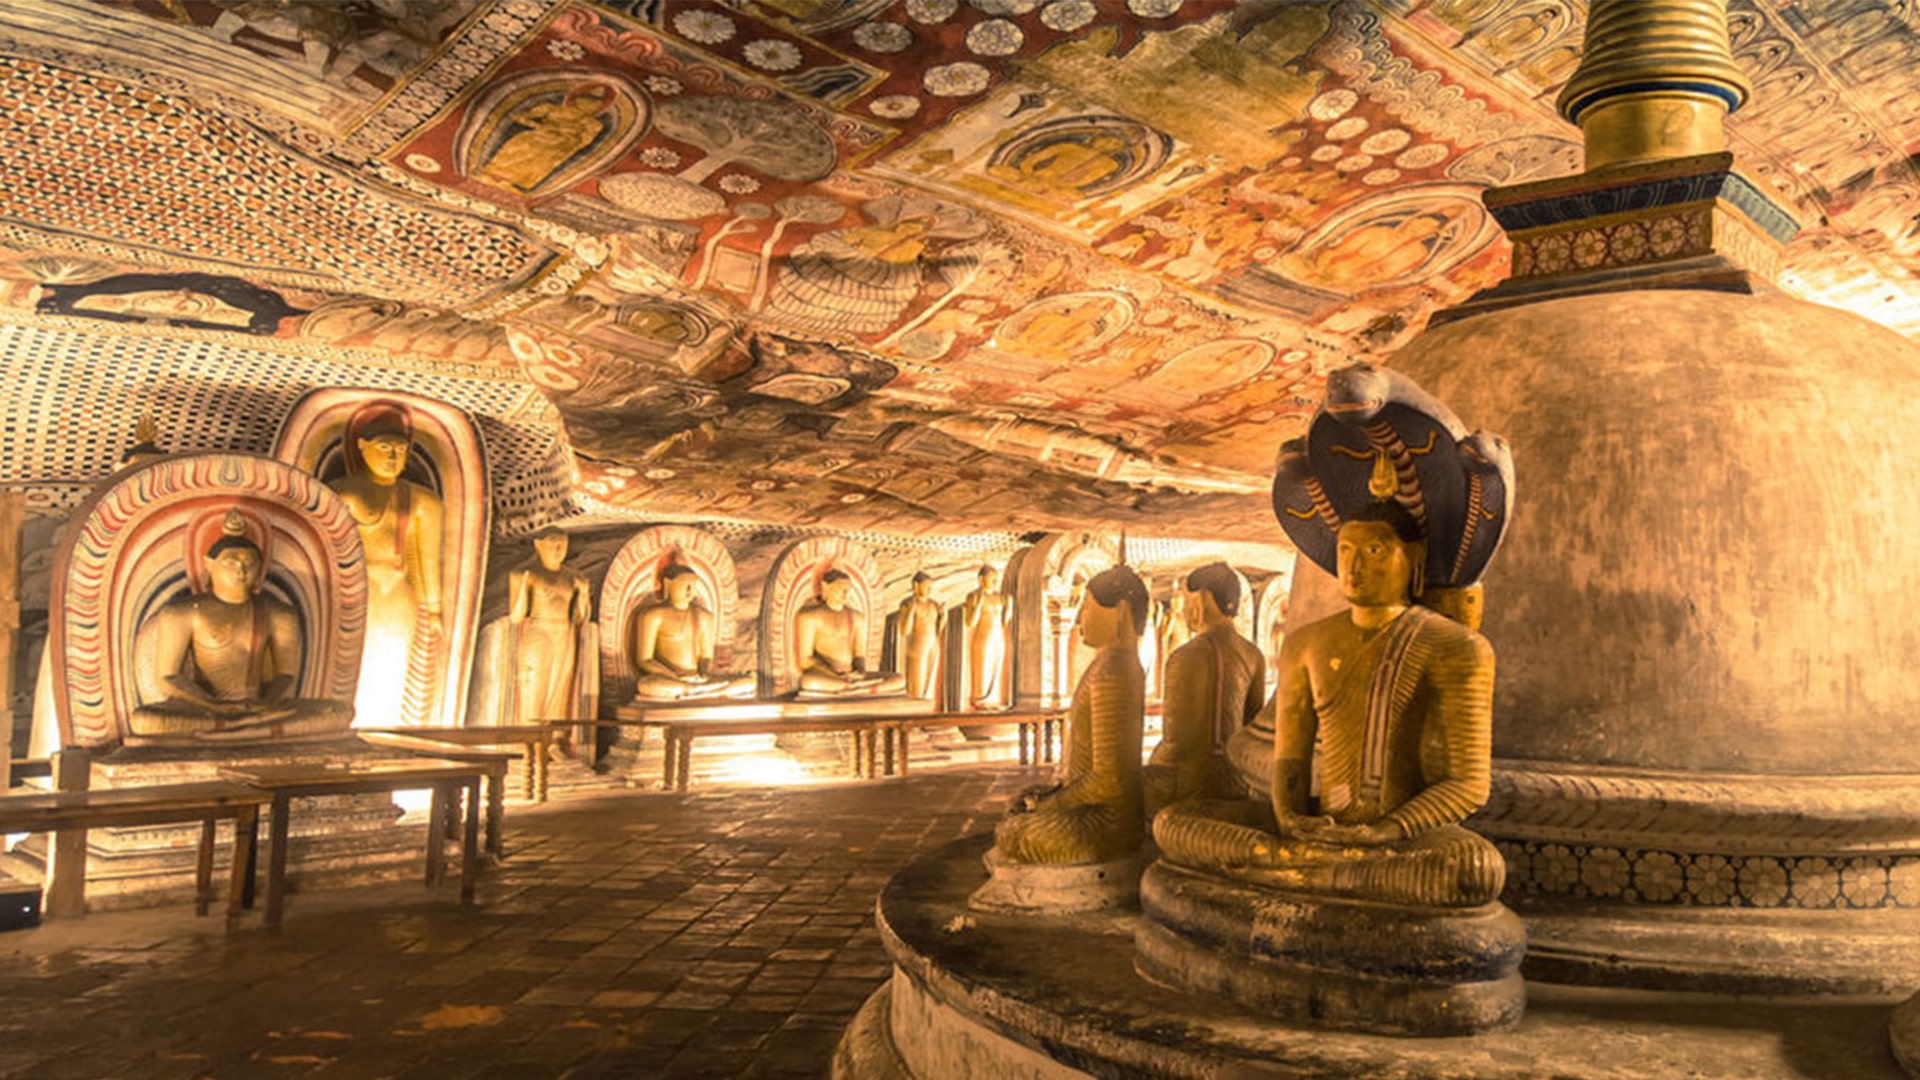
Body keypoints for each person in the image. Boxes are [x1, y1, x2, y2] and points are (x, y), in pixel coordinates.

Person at [1153, 504, 1505, 907]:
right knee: (1173, 823)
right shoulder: (1306, 644)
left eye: (1373, 551)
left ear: (1415, 557)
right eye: (1345, 551)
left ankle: (1298, 867)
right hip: (1318, 827)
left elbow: (1469, 784)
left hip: (1398, 838)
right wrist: (1289, 821)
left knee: (1475, 868)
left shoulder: (1457, 647)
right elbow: (1291, 761)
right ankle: (1315, 863)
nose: (1353, 566)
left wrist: (1386, 831)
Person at [130, 510, 353, 741]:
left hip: (262, 709)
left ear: (260, 568)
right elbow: (167, 677)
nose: (241, 570)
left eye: (250, 563)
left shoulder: (278, 613)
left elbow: (286, 674)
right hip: (205, 709)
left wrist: (266, 704)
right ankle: (248, 729)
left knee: (339, 712)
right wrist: (215, 706)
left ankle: (240, 729)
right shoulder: (183, 612)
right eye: (231, 562)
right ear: (209, 564)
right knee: (145, 721)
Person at [992, 564, 1148, 864]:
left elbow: (1109, 781)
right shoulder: (1112, 665)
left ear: (1121, 611)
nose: (1078, 619)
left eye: (1087, 607)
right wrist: (1053, 796)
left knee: (1011, 832)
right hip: (1098, 808)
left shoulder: (1113, 671)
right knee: (1020, 804)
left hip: (1105, 822)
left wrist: (1051, 806)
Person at [328, 402, 445, 727]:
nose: (392, 457)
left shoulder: (422, 502)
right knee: (351, 665)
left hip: (397, 593)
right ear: (362, 447)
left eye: (399, 450)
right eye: (383, 448)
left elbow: (427, 560)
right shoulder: (340, 493)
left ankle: (384, 729)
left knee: (393, 667)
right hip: (351, 595)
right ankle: (345, 729)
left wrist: (433, 611)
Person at [1144, 562, 1265, 815]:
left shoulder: (1186, 656)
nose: (1185, 609)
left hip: (1190, 786)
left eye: (1187, 599)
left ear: (1202, 600)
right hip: (1239, 784)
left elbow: (1174, 746)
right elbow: (1253, 734)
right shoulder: (1253, 655)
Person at [631, 564, 753, 701]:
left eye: (694, 585)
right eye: (685, 585)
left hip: (698, 680)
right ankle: (698, 691)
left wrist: (705, 675)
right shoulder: (653, 615)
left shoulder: (704, 616)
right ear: (668, 583)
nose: (690, 590)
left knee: (750, 682)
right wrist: (675, 679)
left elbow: (706, 657)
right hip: (670, 680)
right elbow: (644, 660)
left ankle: (696, 691)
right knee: (646, 685)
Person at [507, 530, 592, 722]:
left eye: (563, 543)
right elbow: (516, 616)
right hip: (540, 628)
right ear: (538, 544)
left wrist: (584, 594)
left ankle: (554, 740)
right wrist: (523, 586)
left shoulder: (572, 577)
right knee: (535, 684)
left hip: (564, 631)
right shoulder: (524, 573)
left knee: (561, 687)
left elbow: (579, 619)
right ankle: (529, 742)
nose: (558, 548)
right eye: (553, 543)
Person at [793, 570, 904, 696]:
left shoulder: (857, 617)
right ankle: (855, 688)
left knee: (899, 679)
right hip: (828, 676)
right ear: (825, 586)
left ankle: (858, 689)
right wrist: (836, 674)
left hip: (853, 676)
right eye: (841, 588)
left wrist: (859, 673)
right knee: (808, 682)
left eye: (848, 589)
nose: (845, 593)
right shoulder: (809, 617)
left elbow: (859, 655)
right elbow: (805, 660)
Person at [961, 565, 1012, 709]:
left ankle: (993, 699)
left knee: (996, 668)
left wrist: (1009, 607)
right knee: (983, 667)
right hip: (983, 637)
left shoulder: (1000, 597)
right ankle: (980, 699)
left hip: (998, 636)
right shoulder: (974, 596)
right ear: (981, 579)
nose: (995, 581)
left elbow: (1004, 621)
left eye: (996, 578)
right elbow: (970, 622)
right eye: (991, 578)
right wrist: (978, 605)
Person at [895, 572, 941, 701]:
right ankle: (916, 704)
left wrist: (943, 617)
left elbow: (938, 628)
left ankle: (929, 706)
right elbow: (904, 630)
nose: (929, 590)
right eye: (926, 586)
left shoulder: (933, 604)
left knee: (930, 680)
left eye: (930, 587)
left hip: (933, 644)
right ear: (916, 586)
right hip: (917, 646)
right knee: (917, 683)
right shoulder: (907, 604)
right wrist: (911, 611)